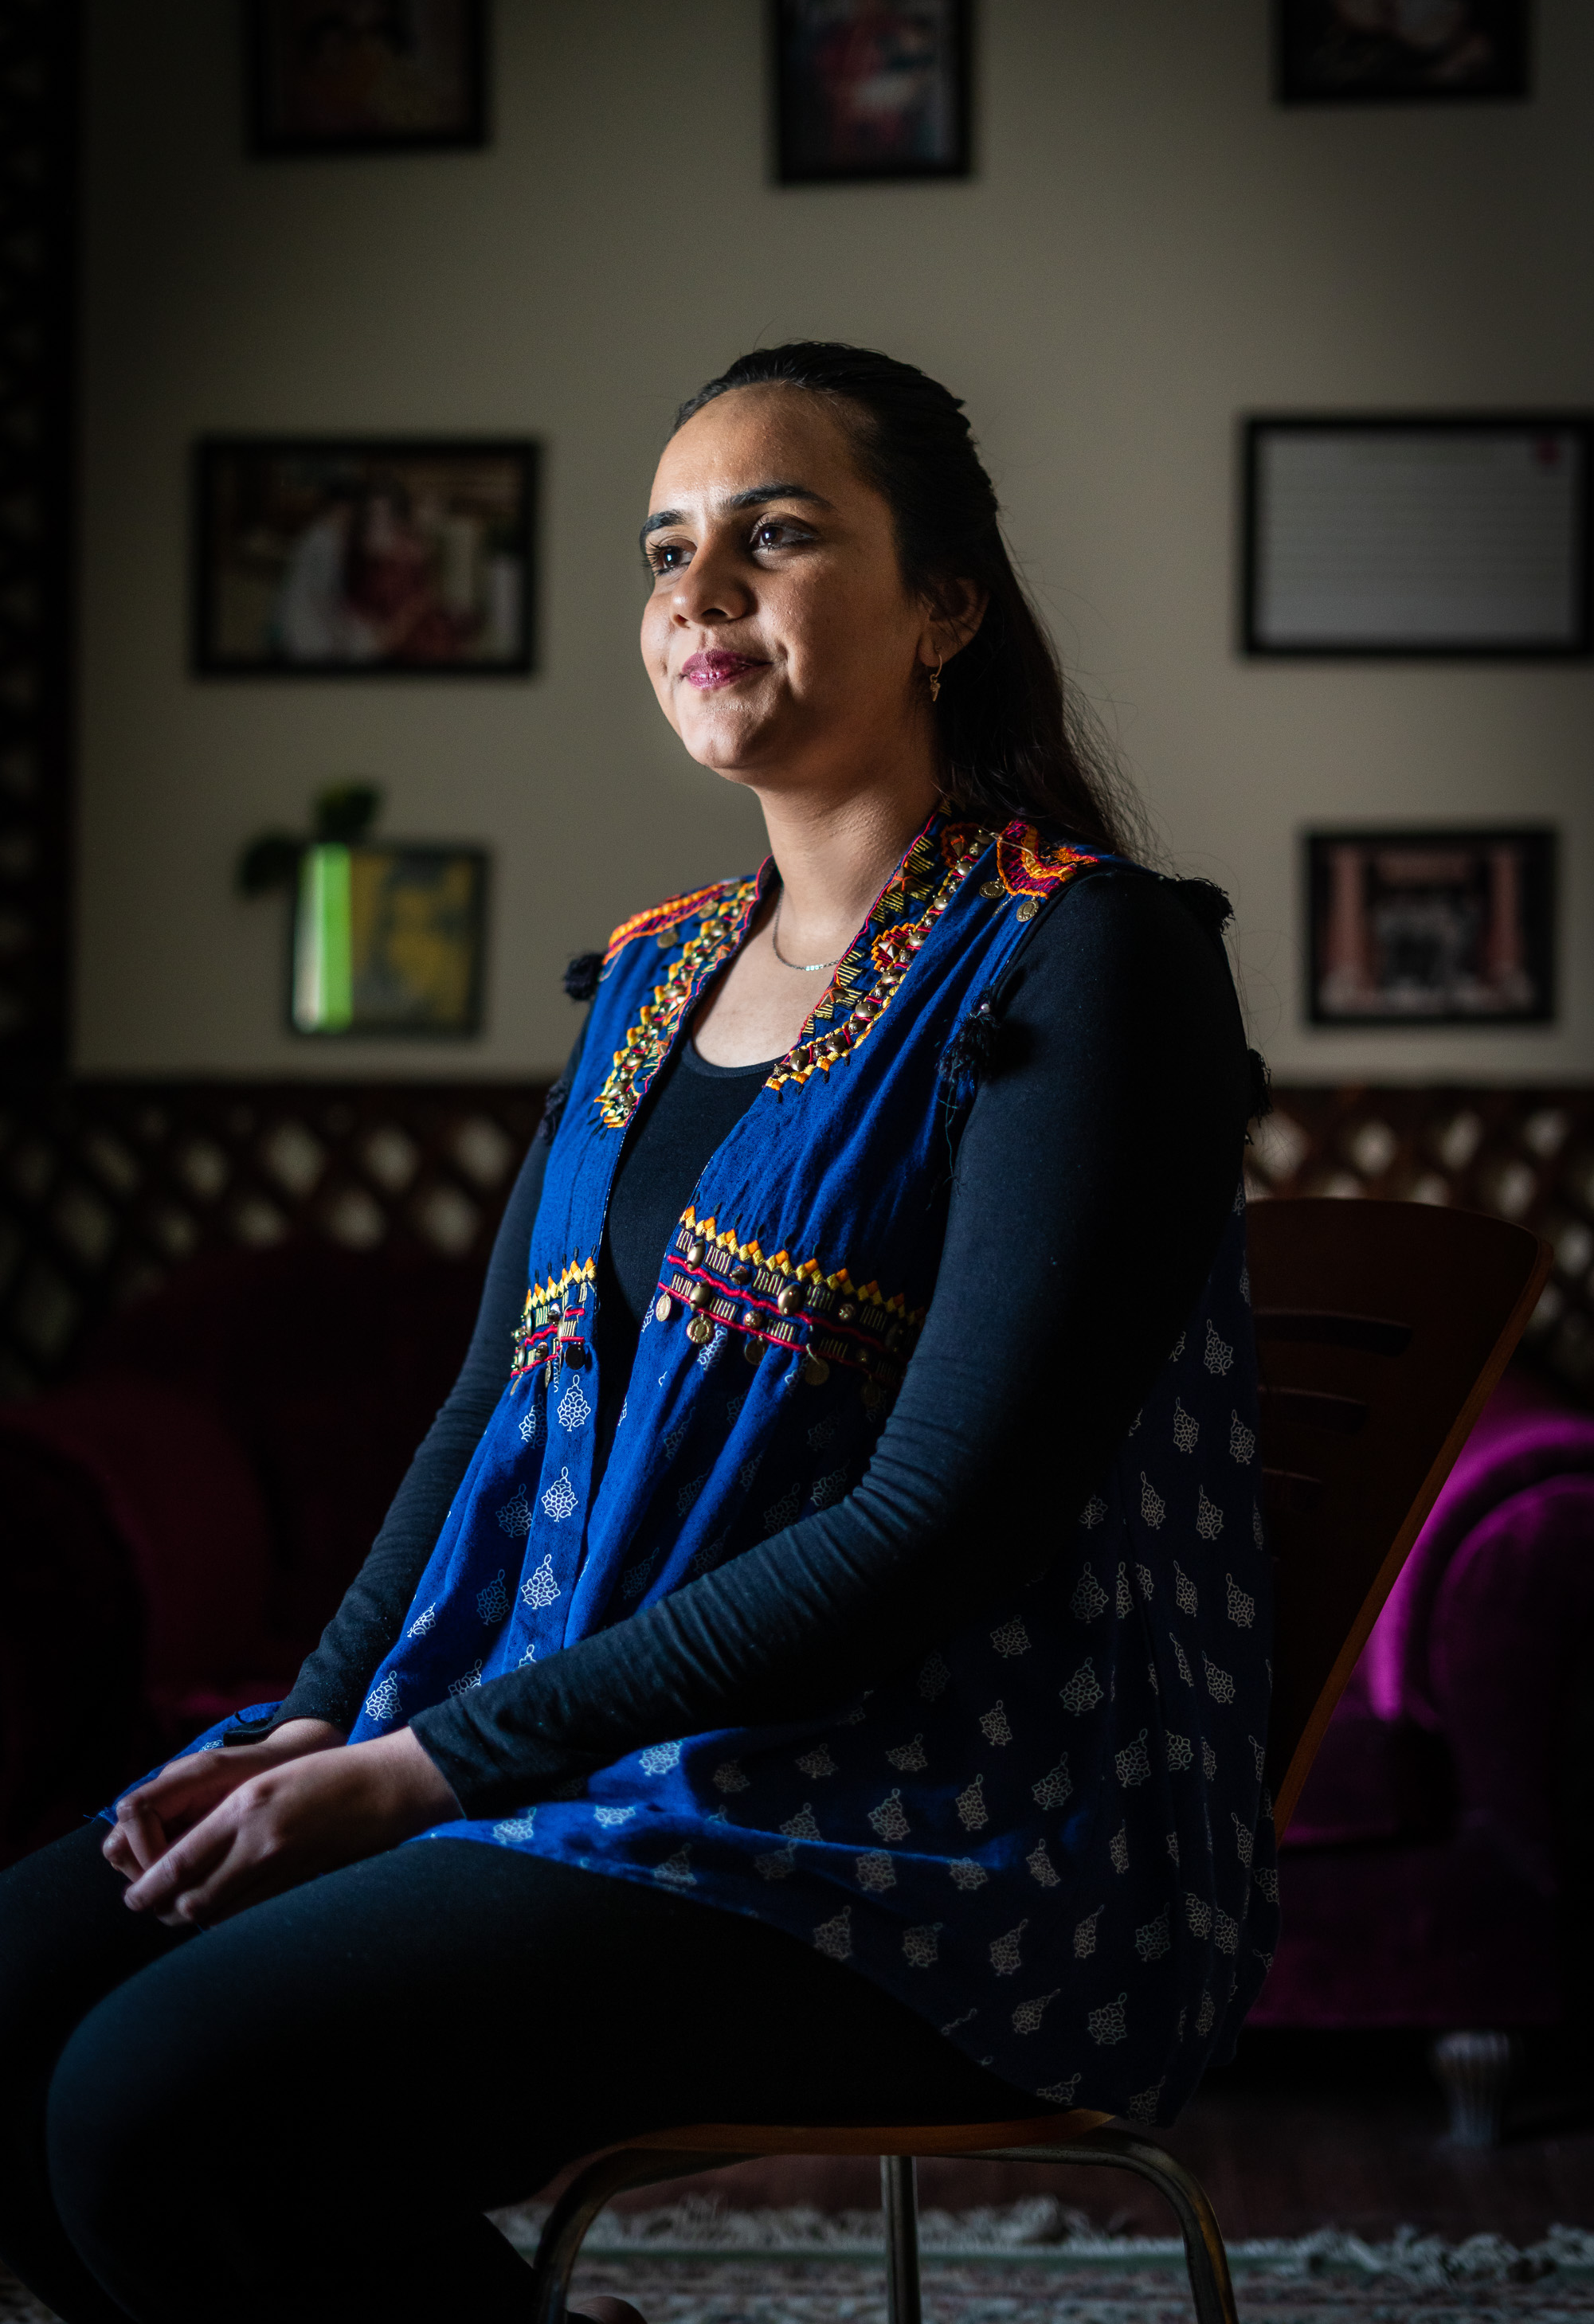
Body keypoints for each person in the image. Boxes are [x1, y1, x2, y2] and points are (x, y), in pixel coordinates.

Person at [0, 343, 1277, 2324]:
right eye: (665, 548)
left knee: (145, 2110)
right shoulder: (652, 976)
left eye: (775, 537)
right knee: (15, 2006)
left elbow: (942, 1524)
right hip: (571, 1761)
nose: (697, 592)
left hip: (928, 1836)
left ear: (944, 606)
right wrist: (330, 1718)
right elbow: (480, 1411)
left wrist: (428, 1772)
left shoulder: (1087, 960)